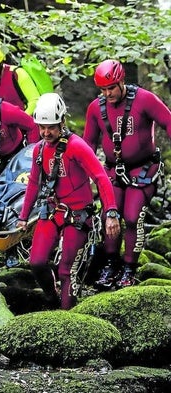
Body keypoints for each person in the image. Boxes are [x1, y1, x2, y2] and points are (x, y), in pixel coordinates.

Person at [16, 93, 120, 310]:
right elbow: (34, 183)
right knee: (36, 262)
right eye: (41, 127)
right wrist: (23, 217)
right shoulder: (39, 149)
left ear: (62, 122)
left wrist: (110, 213)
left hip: (79, 216)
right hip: (53, 211)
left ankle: (67, 314)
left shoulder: (77, 146)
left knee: (66, 270)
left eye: (51, 127)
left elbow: (101, 178)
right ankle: (52, 298)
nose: (45, 132)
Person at [83, 59, 171, 289]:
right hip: (112, 170)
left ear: (122, 81)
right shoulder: (96, 108)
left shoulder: (145, 99)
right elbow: (87, 145)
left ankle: (129, 269)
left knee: (132, 217)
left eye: (111, 87)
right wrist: (80, 177)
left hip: (144, 170)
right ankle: (111, 265)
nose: (108, 93)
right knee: (109, 218)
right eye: (103, 89)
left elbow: (168, 122)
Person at [0, 43, 41, 115]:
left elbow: (34, 100)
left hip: (25, 119)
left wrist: (22, 119)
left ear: (0, 63)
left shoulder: (17, 73)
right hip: (3, 124)